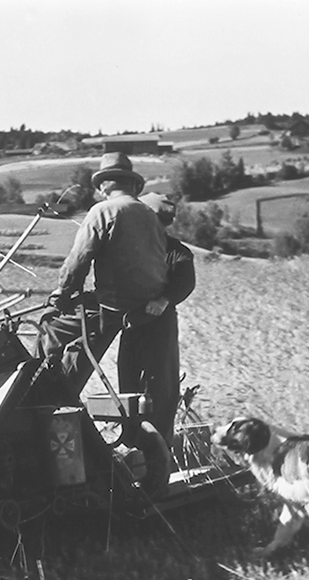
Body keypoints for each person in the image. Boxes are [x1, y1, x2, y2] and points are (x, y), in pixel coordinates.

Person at [37, 152, 168, 395]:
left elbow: (78, 261)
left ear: (104, 184)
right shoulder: (150, 214)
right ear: (132, 184)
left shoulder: (103, 211)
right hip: (148, 307)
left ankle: (45, 392)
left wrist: (60, 296)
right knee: (86, 327)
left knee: (51, 327)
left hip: (115, 306)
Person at [119, 192, 195, 448]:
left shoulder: (176, 252)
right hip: (131, 326)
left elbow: (185, 281)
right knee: (128, 388)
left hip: (159, 328)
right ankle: (131, 448)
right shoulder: (131, 250)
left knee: (159, 390)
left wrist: (163, 301)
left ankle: (157, 454)